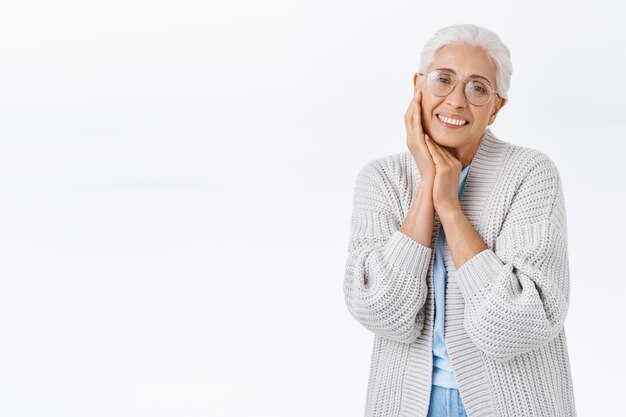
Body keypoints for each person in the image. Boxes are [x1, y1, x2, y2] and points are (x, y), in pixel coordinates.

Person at [343, 24, 577, 417]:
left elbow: (519, 324)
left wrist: (449, 208)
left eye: (477, 88)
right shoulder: (381, 179)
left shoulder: (531, 174)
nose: (455, 100)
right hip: (406, 403)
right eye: (443, 80)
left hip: (516, 405)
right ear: (418, 85)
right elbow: (380, 312)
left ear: (496, 107)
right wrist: (426, 187)